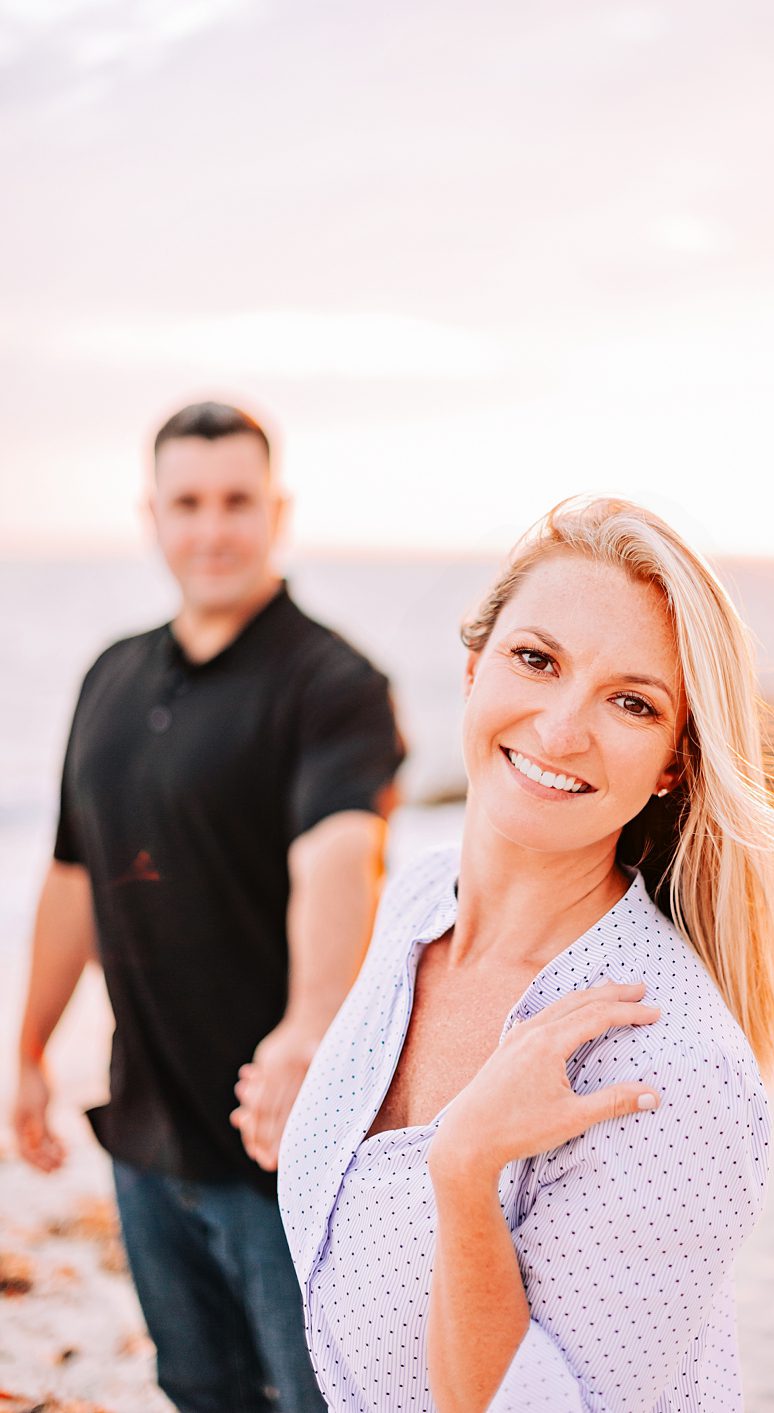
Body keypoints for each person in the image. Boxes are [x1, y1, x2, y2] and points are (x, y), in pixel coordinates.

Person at [278, 495, 774, 1413]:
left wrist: (466, 1168)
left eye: (632, 702)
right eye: (537, 659)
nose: (563, 729)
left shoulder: (673, 1065)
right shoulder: (415, 905)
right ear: (475, 667)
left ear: (674, 765)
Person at [13, 401, 404, 1413]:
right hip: (144, 1136)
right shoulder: (111, 673)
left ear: (276, 510)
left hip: (283, 1144)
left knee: (319, 1398)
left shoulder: (333, 683)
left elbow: (341, 853)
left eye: (237, 500)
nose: (213, 528)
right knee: (198, 1390)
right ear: (153, 514)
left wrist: (306, 1030)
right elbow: (72, 874)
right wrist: (27, 1051)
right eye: (188, 502)